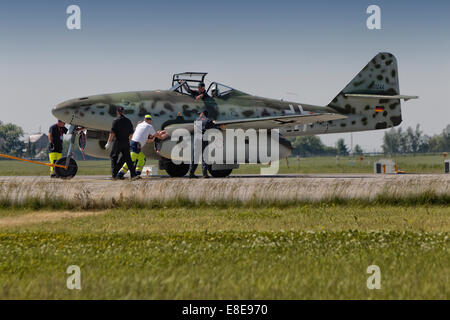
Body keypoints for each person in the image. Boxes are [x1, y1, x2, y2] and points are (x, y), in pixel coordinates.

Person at [105, 106, 139, 180]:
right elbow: (131, 134)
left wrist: (108, 142)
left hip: (118, 142)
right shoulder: (128, 121)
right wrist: (129, 141)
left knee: (114, 157)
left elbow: (112, 133)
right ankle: (133, 175)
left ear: (117, 112)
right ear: (123, 112)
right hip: (126, 142)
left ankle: (114, 175)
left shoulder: (115, 121)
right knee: (128, 159)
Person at [188, 110, 217, 179]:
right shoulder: (208, 120)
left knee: (195, 157)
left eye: (200, 113)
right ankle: (204, 174)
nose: (199, 115)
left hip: (196, 140)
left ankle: (191, 173)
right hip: (204, 139)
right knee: (204, 157)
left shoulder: (196, 120)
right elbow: (214, 128)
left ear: (202, 113)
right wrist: (214, 123)